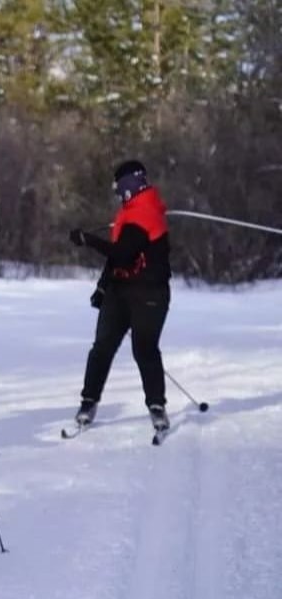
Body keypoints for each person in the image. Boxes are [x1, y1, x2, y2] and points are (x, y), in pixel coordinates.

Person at [69, 160, 172, 432]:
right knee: (102, 347)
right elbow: (118, 257)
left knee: (144, 349)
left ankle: (156, 406)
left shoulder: (146, 212)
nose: (115, 190)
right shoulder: (130, 211)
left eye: (117, 184)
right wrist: (103, 287)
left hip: (150, 294)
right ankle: (88, 402)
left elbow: (123, 254)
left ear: (129, 184)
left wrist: (87, 239)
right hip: (120, 291)